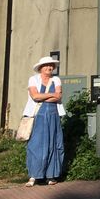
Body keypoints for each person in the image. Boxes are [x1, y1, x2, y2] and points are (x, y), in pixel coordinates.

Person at [23, 55, 66, 186]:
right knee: (36, 145)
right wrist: (52, 95)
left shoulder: (56, 79)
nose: (49, 67)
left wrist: (45, 96)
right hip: (38, 116)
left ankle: (51, 176)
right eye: (46, 65)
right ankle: (34, 176)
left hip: (53, 115)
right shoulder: (33, 79)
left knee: (54, 144)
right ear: (40, 68)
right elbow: (35, 96)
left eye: (51, 66)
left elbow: (58, 97)